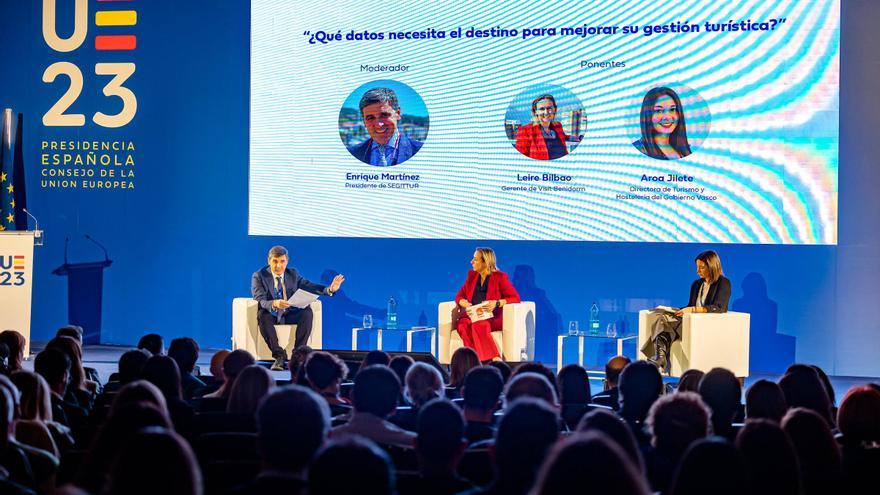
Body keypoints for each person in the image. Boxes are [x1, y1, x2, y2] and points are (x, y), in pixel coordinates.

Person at [252, 245, 344, 370]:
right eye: (275, 261)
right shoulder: (259, 276)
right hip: (272, 314)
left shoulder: (292, 274)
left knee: (307, 312)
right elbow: (261, 300)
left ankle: (298, 356)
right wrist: (274, 303)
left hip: (289, 313)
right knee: (262, 315)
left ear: (287, 261)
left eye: (282, 262)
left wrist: (330, 289)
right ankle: (279, 356)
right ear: (269, 261)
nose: (278, 266)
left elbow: (310, 286)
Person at [643, 250, 731, 370]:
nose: (698, 271)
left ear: (711, 266)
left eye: (702, 267)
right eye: (697, 267)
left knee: (664, 324)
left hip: (707, 325)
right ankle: (660, 356)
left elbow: (719, 307)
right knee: (662, 318)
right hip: (691, 322)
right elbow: (689, 305)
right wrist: (673, 310)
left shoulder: (723, 283)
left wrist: (693, 309)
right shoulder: (697, 284)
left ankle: (660, 357)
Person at [454, 247, 521, 362]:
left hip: (491, 317)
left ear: (485, 262)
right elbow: (459, 296)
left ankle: (494, 359)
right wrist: (463, 303)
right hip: (472, 315)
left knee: (478, 325)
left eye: (475, 259)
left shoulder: (500, 277)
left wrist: (497, 303)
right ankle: (472, 359)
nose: (471, 262)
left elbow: (515, 298)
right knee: (462, 325)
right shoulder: (472, 276)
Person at [347, 87, 423, 166]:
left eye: (384, 115)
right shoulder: (351, 153)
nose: (378, 124)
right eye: (370, 118)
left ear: (398, 113)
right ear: (364, 122)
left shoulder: (421, 151)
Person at [632, 86, 692, 160]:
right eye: (659, 111)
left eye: (672, 109)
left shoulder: (684, 149)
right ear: (647, 115)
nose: (668, 117)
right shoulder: (638, 149)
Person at [514, 94, 580, 160]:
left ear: (555, 109)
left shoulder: (558, 125)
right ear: (535, 112)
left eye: (549, 108)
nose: (546, 112)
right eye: (542, 109)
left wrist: (578, 137)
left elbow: (562, 136)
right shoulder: (525, 130)